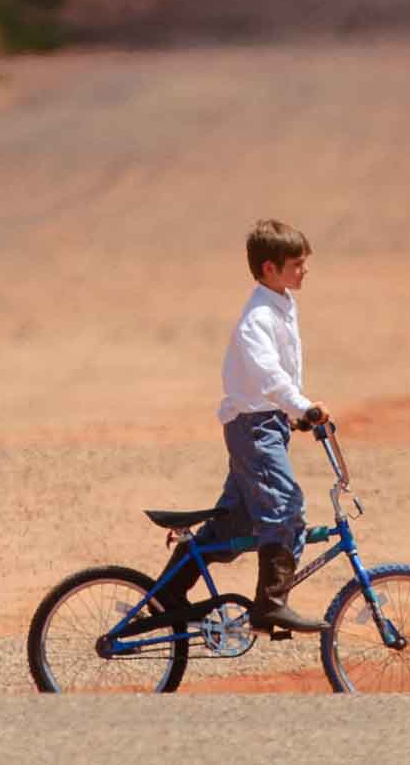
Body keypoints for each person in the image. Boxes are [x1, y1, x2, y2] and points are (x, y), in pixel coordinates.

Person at [155, 219, 329, 634]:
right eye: (296, 264)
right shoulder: (258, 318)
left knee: (234, 522)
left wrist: (293, 417)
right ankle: (269, 606)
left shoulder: (281, 304)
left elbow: (276, 378)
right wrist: (302, 407)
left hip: (266, 424)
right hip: (255, 428)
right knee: (286, 508)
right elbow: (270, 376)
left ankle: (168, 591)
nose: (305, 270)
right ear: (270, 268)